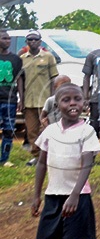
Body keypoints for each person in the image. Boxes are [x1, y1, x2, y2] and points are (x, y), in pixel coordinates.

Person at [31, 83, 100, 239]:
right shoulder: (50, 131)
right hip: (53, 195)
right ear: (56, 105)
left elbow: (87, 164)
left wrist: (74, 195)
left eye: (77, 99)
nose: (73, 104)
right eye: (66, 100)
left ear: (84, 103)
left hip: (76, 197)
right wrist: (36, 195)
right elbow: (42, 163)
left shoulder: (87, 131)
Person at [21, 29, 58, 167]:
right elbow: (20, 80)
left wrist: (53, 99)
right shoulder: (22, 58)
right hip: (29, 101)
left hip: (45, 101)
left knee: (46, 130)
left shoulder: (48, 57)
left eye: (35, 39)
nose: (33, 42)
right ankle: (37, 157)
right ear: (26, 42)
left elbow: (54, 79)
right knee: (32, 131)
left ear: (40, 41)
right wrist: (21, 100)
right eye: (30, 39)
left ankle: (48, 156)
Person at [0, 29, 24, 167]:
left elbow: (19, 79)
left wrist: (21, 99)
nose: (7, 41)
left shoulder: (16, 59)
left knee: (9, 131)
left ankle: (4, 159)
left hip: (10, 101)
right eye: (4, 38)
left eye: (8, 38)